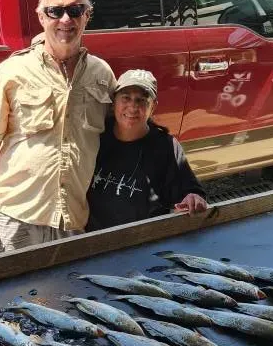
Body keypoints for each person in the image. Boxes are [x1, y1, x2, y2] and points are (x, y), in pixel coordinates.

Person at [0, 0, 114, 254]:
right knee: (14, 296)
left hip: (73, 217)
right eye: (55, 10)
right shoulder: (11, 72)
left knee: (68, 293)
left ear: (88, 14)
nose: (65, 20)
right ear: (41, 17)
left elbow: (121, 137)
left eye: (75, 10)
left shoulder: (102, 75)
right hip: (16, 215)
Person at [87, 69, 207, 230]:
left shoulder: (165, 146)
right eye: (126, 98)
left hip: (143, 240)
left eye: (141, 100)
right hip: (91, 239)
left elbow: (190, 191)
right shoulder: (97, 135)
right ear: (114, 101)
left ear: (153, 107)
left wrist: (193, 199)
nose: (132, 106)